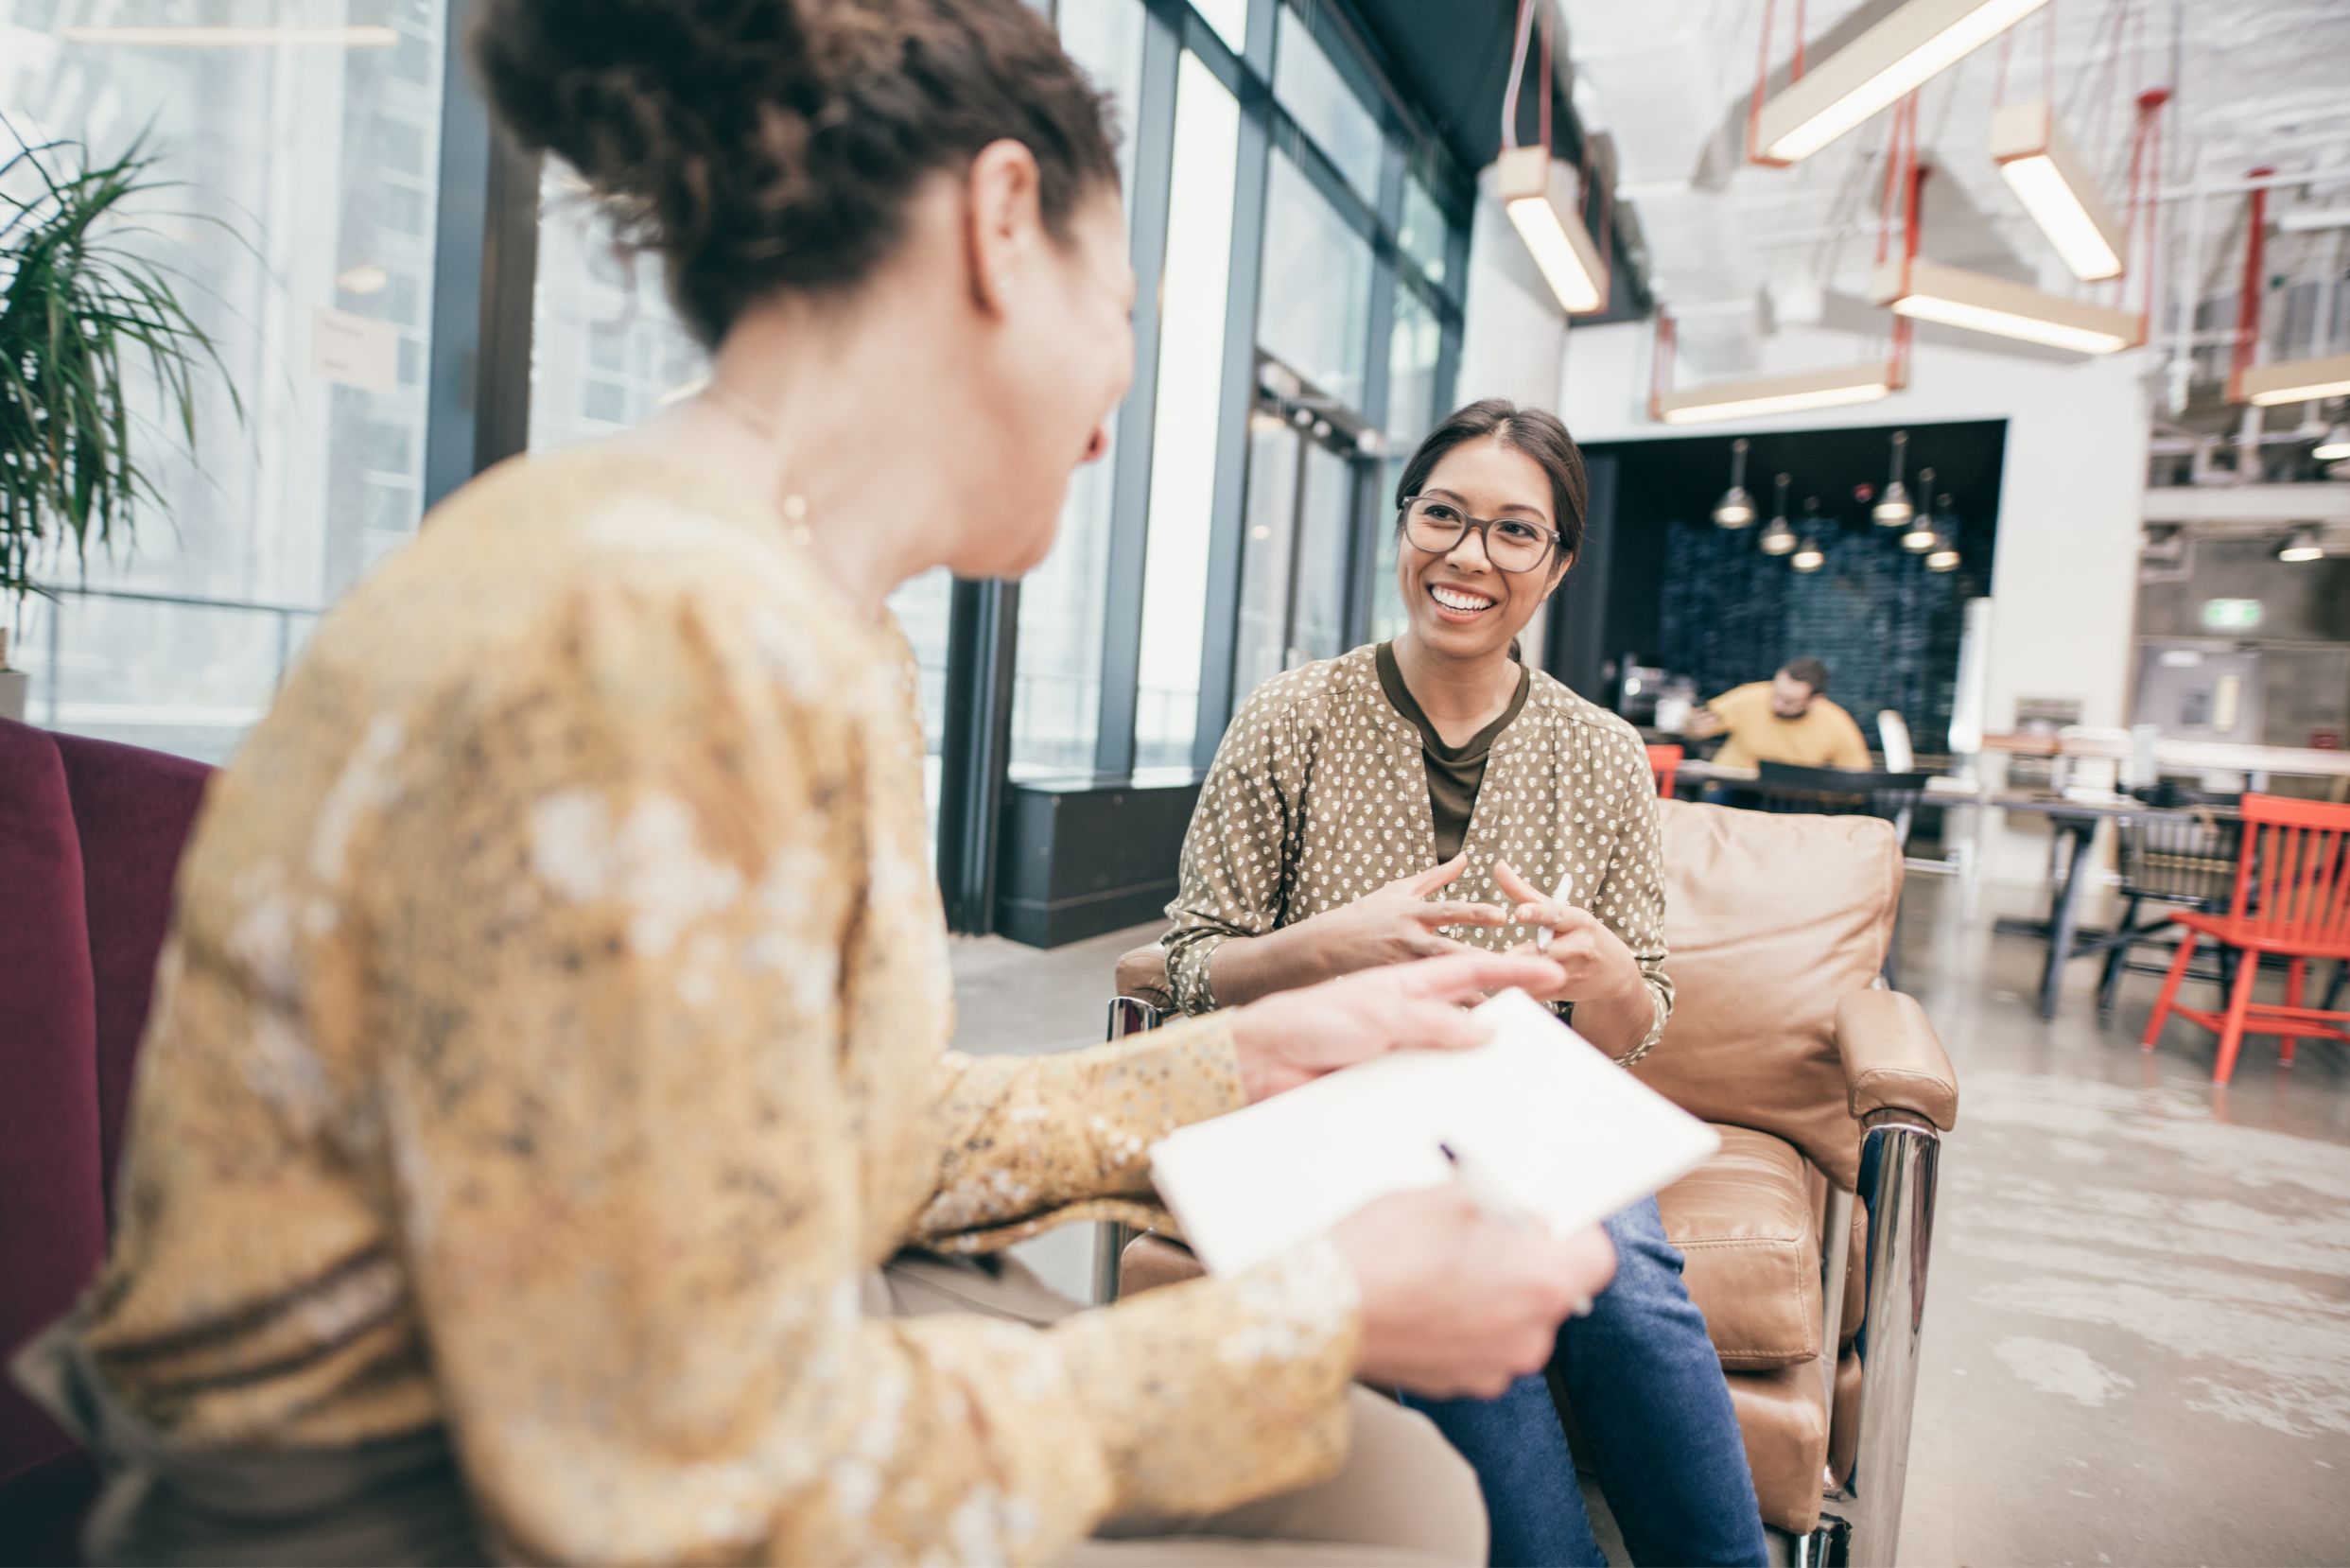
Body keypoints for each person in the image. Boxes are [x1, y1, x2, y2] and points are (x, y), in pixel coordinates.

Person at [9, 5, 1621, 1564]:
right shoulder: (649, 638)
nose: (1116, 415)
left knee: (1389, 1486)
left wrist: (1246, 1054)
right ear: (1002, 220)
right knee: (1392, 1501)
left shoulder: (793, 610)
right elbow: (668, 1466)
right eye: (1121, 311)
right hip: (422, 1498)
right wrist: (1313, 1316)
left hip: (680, 1368)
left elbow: (837, 1121)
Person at [1162, 399, 1767, 1567]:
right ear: (1403, 524)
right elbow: (1191, 964)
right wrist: (1331, 942)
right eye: (1442, 514)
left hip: (1520, 1100)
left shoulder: (1598, 754)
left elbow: (1641, 1016)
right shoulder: (1291, 716)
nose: (1467, 555)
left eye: (1512, 531)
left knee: (1632, 1286)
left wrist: (1600, 976)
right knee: (1467, 1302)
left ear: (1557, 562)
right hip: (1329, 1096)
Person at [1685, 658, 1874, 771]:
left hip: (1795, 801)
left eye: (1789, 702)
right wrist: (1693, 726)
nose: (1776, 705)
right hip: (1733, 790)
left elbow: (1856, 775)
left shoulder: (1836, 723)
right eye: (1775, 694)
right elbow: (1697, 723)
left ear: (1816, 701)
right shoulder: (1751, 697)